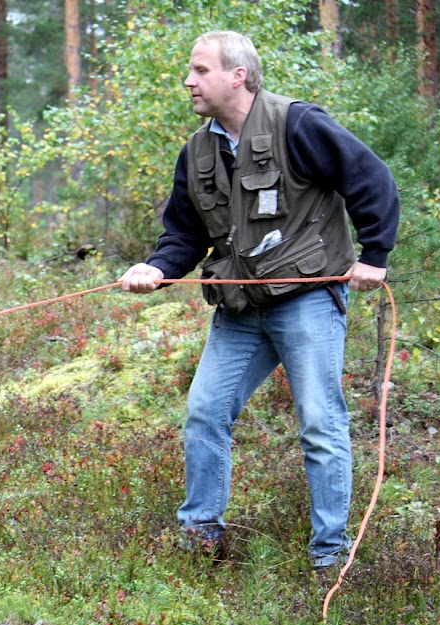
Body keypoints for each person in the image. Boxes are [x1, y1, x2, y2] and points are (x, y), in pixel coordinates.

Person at [119, 30, 399, 572]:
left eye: (200, 70)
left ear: (237, 75)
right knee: (205, 414)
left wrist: (375, 255)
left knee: (320, 422)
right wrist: (156, 267)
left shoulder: (298, 123)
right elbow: (183, 233)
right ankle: (201, 538)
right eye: (190, 71)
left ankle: (329, 557)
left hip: (308, 299)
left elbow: (372, 179)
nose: (188, 81)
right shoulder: (197, 150)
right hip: (240, 311)